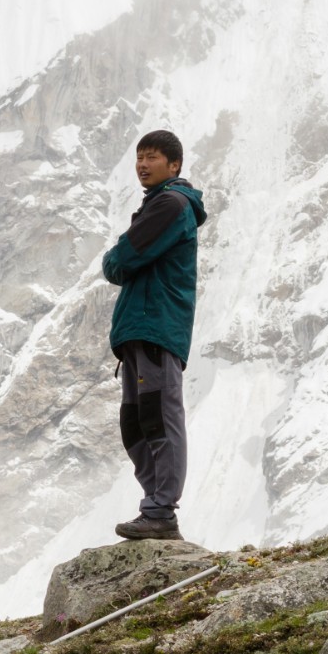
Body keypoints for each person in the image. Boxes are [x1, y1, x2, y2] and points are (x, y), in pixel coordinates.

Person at [101, 129, 208, 541]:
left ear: (174, 165)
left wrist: (116, 257)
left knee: (159, 416)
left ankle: (162, 510)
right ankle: (154, 508)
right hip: (139, 330)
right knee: (136, 422)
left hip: (155, 326)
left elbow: (121, 261)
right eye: (138, 159)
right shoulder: (158, 205)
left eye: (151, 157)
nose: (142, 165)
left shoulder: (170, 204)